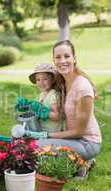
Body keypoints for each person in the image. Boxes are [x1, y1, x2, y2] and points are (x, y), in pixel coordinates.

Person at [24, 40, 102, 178]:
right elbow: (46, 92)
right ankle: (79, 162)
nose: (62, 61)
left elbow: (79, 132)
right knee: (27, 142)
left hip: (87, 142)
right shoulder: (63, 82)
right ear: (54, 60)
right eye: (58, 57)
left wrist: (46, 135)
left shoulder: (83, 88)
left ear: (74, 58)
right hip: (73, 139)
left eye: (66, 56)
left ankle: (81, 163)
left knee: (33, 147)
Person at [28, 63, 65, 132]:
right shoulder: (42, 94)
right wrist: (27, 105)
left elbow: (57, 116)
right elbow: (36, 107)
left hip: (53, 133)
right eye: (38, 80)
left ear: (53, 80)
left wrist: (43, 111)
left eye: (45, 79)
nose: (41, 82)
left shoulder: (53, 95)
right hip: (43, 131)